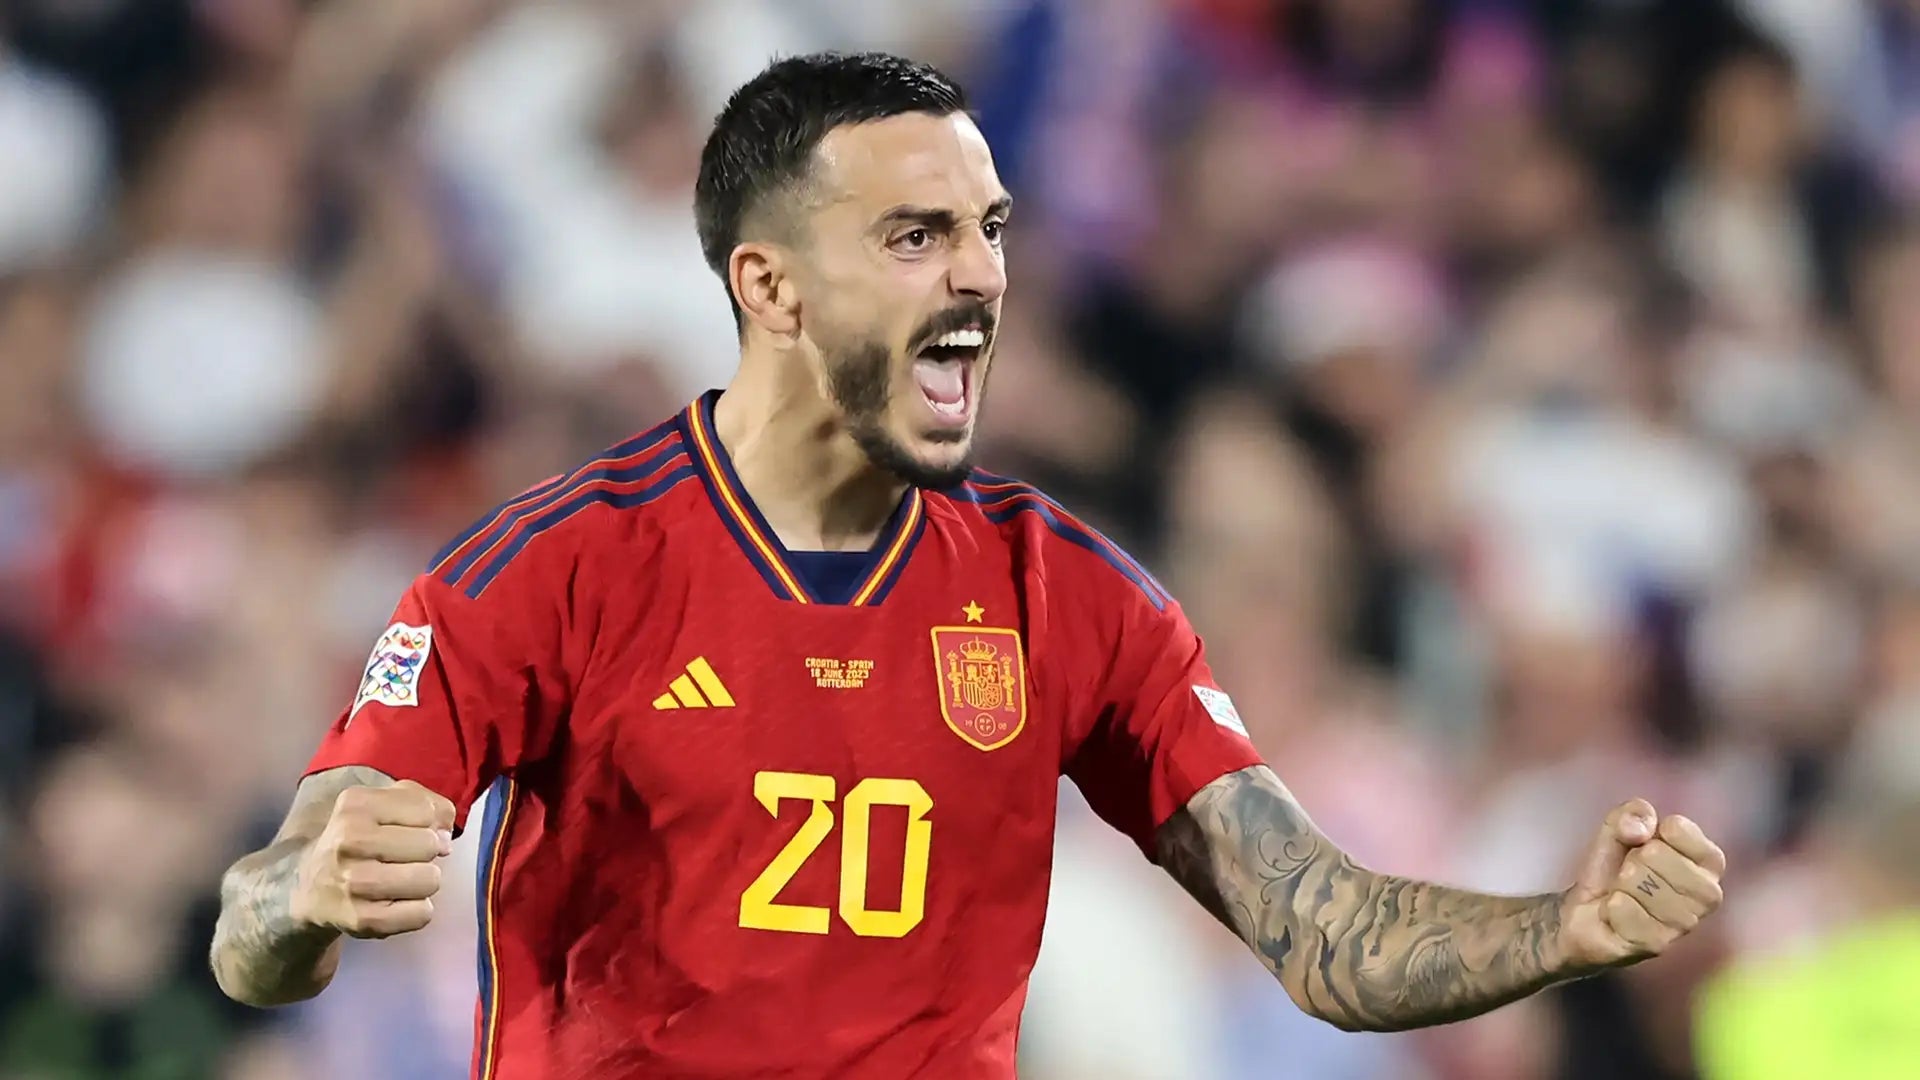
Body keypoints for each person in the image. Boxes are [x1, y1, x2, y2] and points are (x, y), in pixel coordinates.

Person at [208, 52, 1728, 1078]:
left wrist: (1559, 931)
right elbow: (253, 930)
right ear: (773, 285)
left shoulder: (1072, 598)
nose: (984, 277)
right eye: (918, 237)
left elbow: (1320, 933)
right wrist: (307, 900)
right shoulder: (548, 574)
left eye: (990, 231)